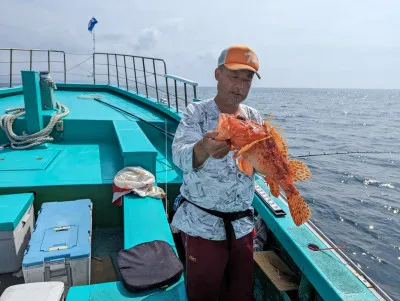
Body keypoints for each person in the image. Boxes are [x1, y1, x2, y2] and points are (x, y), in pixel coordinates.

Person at [171, 45, 263, 301]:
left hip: (243, 226)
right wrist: (204, 147)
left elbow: (260, 164)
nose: (241, 86)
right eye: (235, 76)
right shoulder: (197, 113)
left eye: (247, 79)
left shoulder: (254, 116)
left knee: (241, 293)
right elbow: (179, 156)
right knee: (203, 294)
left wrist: (272, 167)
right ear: (217, 74)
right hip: (203, 226)